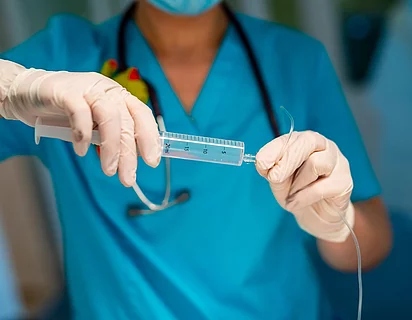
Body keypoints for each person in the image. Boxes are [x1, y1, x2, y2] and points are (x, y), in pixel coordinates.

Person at [0, 0, 392, 318]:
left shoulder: (297, 60)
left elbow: (373, 242)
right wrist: (13, 88)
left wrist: (340, 223)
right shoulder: (61, 57)